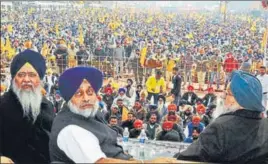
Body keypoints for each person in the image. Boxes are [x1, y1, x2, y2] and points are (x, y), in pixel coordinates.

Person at [49, 66, 177, 163]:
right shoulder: (71, 129)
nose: (86, 98)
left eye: (90, 92)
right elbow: (100, 162)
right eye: (78, 93)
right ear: (69, 97)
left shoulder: (89, 114)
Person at [175, 71, 268, 163]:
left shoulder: (220, 128)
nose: (223, 96)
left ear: (237, 100)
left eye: (227, 93)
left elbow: (186, 157)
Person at [0, 49, 55, 163]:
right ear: (14, 78)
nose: (26, 80)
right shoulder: (2, 105)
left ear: (39, 79)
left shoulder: (47, 106)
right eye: (21, 75)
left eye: (32, 75)